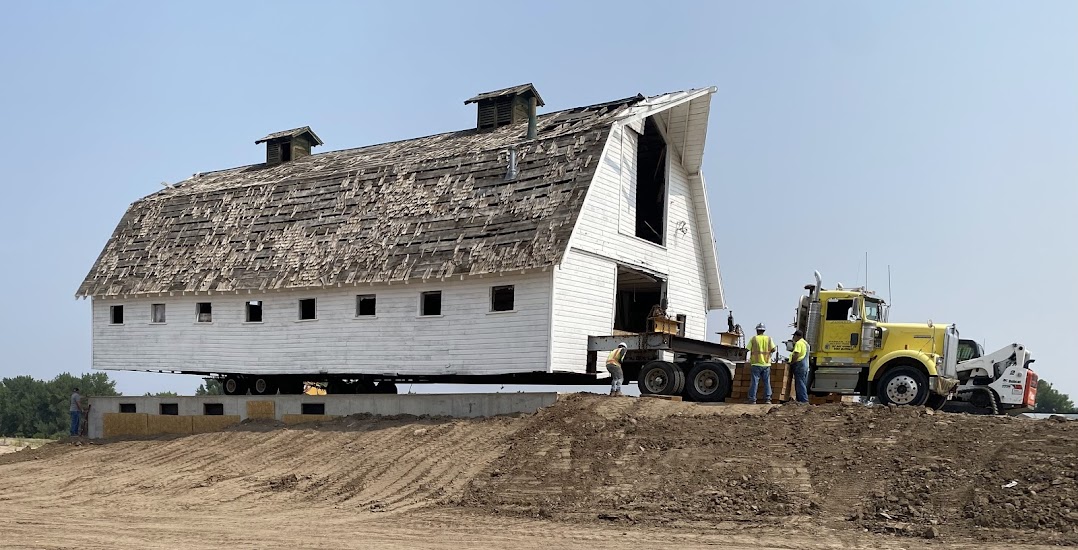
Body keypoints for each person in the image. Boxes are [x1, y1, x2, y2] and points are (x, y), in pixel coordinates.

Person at [747, 323, 776, 404]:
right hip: (766, 364)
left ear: (757, 330)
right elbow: (774, 349)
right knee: (767, 381)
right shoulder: (769, 339)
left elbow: (747, 349)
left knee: (755, 382)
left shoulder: (754, 339)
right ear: (764, 331)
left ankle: (752, 399)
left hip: (756, 364)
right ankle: (767, 399)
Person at [790, 329, 810, 403]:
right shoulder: (806, 344)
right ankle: (801, 400)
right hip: (806, 366)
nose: (793, 338)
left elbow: (796, 354)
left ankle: (803, 400)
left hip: (800, 365)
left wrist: (792, 362)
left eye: (794, 336)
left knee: (800, 383)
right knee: (803, 383)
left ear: (796, 336)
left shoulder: (799, 343)